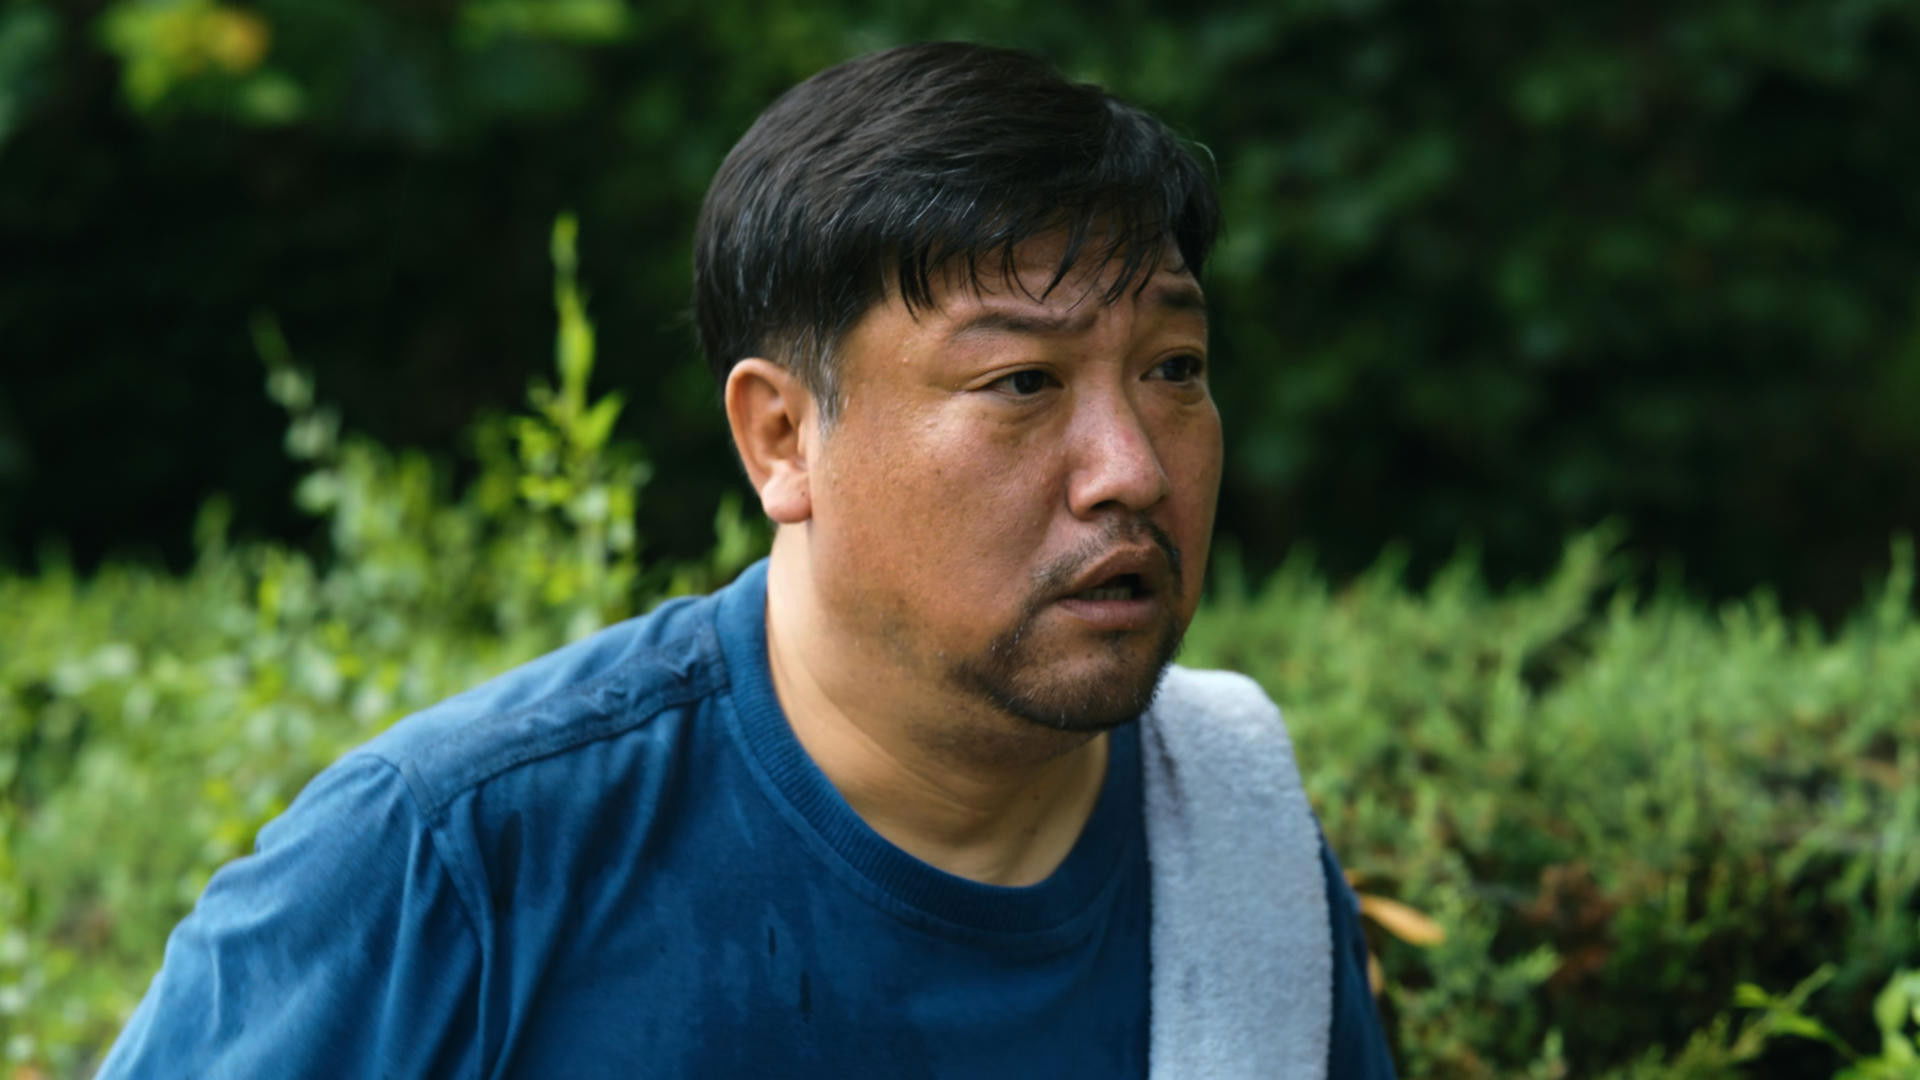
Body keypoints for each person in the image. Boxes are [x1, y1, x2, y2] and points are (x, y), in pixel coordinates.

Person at [100, 42, 1397, 1078]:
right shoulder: (454, 862)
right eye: (1021, 381)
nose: (1132, 468)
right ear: (782, 437)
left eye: (1174, 368)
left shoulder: (1233, 840)